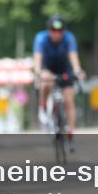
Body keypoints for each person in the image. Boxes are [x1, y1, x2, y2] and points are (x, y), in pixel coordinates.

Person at [33, 14, 86, 150]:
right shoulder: (41, 38)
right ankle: (43, 106)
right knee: (46, 81)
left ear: (64, 31)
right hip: (47, 66)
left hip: (64, 66)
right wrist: (38, 72)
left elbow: (73, 57)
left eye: (60, 31)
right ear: (48, 30)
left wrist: (78, 70)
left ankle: (70, 133)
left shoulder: (69, 38)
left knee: (69, 99)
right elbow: (38, 59)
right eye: (53, 30)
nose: (56, 34)